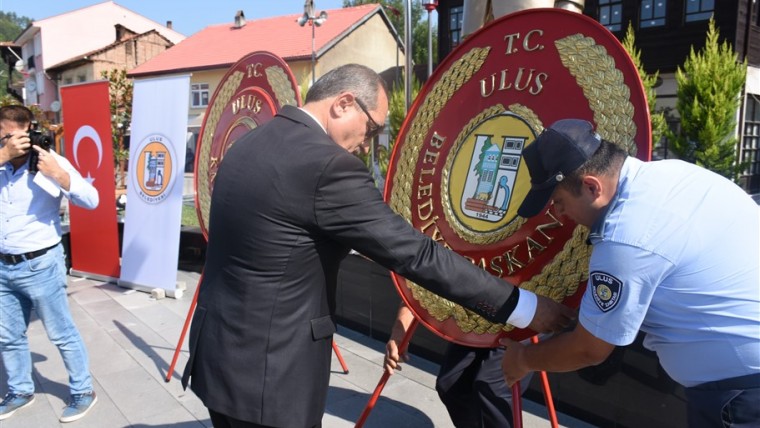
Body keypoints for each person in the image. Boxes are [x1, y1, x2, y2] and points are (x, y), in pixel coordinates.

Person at [181, 64, 575, 428]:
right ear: (344, 103)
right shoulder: (326, 165)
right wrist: (522, 307)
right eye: (371, 129)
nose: (368, 145)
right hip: (272, 375)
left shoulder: (249, 143)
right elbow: (417, 255)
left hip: (220, 358)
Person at [501, 118, 760, 427]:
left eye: (559, 202)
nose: (559, 215)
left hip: (740, 393)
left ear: (591, 186)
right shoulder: (671, 173)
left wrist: (523, 360)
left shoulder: (625, 237)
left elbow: (589, 349)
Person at [0, 105, 99, 423]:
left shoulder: (49, 162)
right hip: (2, 267)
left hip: (41, 264)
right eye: (2, 137)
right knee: (8, 335)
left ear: (27, 131)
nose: (9, 143)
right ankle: (20, 390)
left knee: (61, 333)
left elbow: (92, 199)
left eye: (12, 136)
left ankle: (83, 391)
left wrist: (59, 175)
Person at [385, 303, 534, 428]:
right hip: (478, 316)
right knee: (450, 384)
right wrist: (399, 334)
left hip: (524, 317)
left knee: (491, 388)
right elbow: (417, 283)